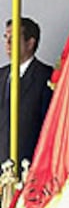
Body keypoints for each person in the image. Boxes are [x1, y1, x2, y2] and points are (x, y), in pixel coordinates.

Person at [0, 17, 52, 165]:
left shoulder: (46, 78)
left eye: (14, 38)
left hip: (29, 165)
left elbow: (47, 127)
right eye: (6, 37)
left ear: (30, 43)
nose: (8, 43)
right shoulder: (1, 75)